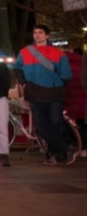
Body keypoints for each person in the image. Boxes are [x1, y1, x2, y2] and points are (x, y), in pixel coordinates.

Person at [13, 25, 73, 165]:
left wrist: (54, 82)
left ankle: (55, 153)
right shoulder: (25, 52)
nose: (37, 35)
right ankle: (62, 149)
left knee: (55, 124)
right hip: (35, 92)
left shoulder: (58, 54)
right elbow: (17, 68)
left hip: (54, 93)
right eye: (35, 32)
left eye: (40, 32)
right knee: (41, 125)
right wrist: (24, 83)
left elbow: (66, 75)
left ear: (47, 36)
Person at [63, 48, 86, 157]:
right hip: (84, 99)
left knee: (68, 123)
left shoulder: (64, 65)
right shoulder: (83, 63)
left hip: (70, 99)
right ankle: (84, 148)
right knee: (83, 123)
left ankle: (73, 145)